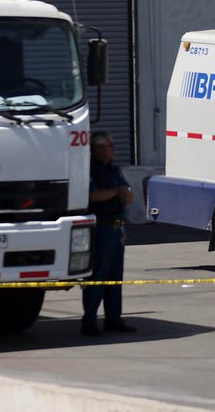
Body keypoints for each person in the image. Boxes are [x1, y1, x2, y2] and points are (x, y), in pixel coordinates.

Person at [81, 131, 137, 336]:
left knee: (115, 277)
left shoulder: (114, 170)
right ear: (97, 148)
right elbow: (92, 195)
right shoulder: (91, 170)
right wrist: (115, 192)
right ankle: (89, 320)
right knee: (98, 276)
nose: (113, 149)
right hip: (101, 228)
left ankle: (113, 318)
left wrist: (125, 193)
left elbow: (128, 195)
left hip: (117, 227)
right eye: (109, 146)